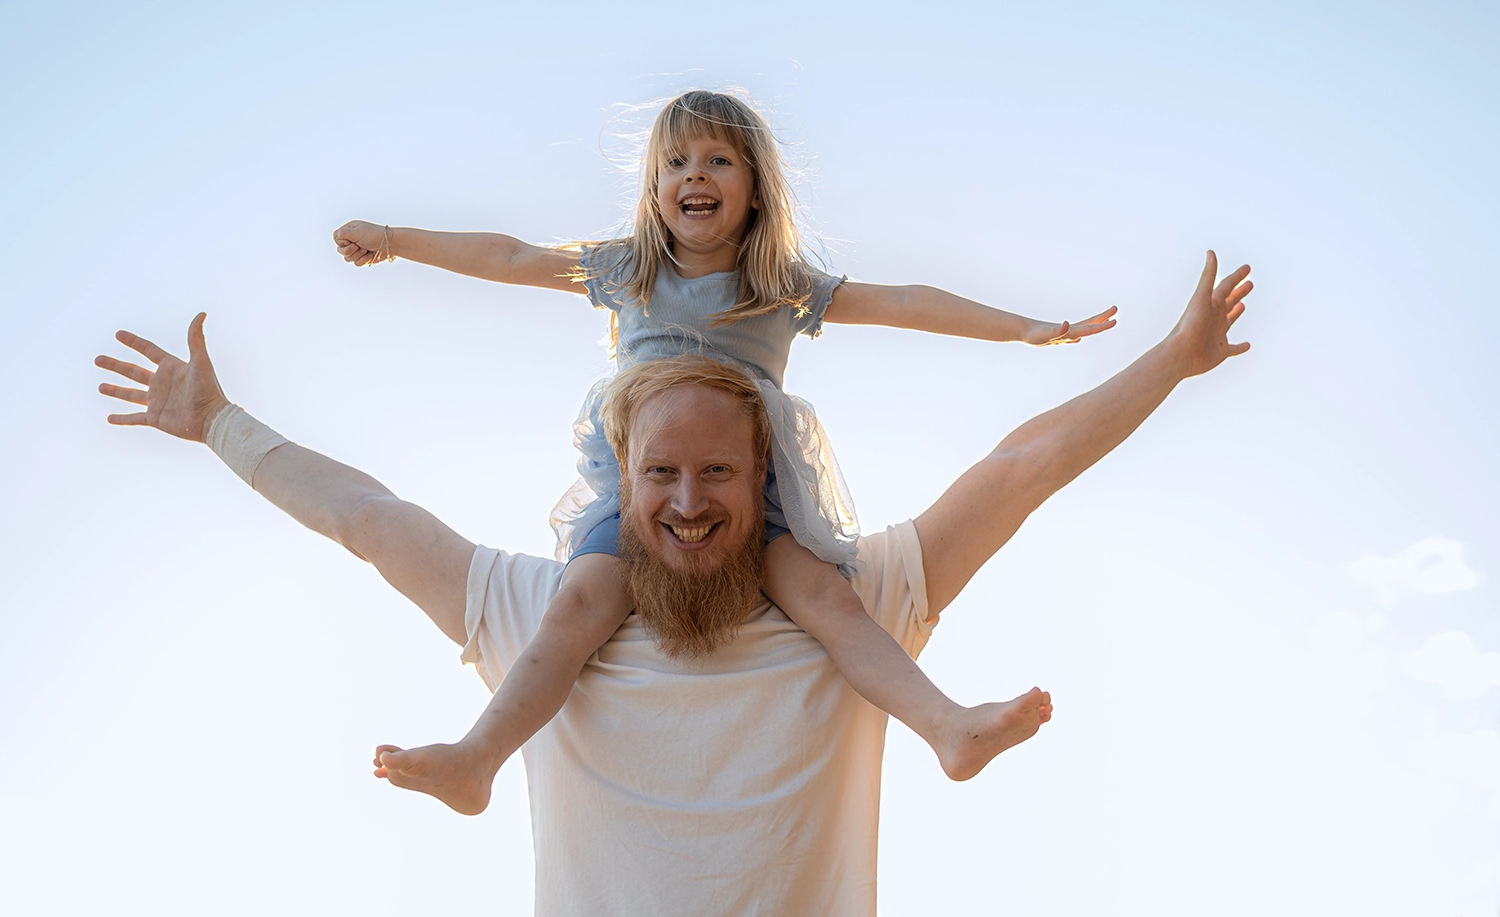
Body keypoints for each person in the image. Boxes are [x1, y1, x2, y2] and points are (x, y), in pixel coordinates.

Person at [95, 250, 1252, 917]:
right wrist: (218, 424)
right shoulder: (535, 618)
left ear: (769, 481)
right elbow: (367, 517)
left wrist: (1171, 357)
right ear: (620, 480)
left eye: (718, 473)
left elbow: (1021, 467)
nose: (689, 502)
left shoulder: (860, 609)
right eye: (660, 473)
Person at [328, 90, 1118, 809]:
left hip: (748, 490)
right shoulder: (626, 269)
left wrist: (1025, 327)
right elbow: (508, 258)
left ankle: (947, 725)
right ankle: (478, 757)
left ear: (752, 186)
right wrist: (395, 239)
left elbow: (905, 302)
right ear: (653, 187)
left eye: (716, 160)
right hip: (645, 489)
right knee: (577, 609)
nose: (692, 176)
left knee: (826, 601)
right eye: (674, 162)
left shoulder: (776, 284)